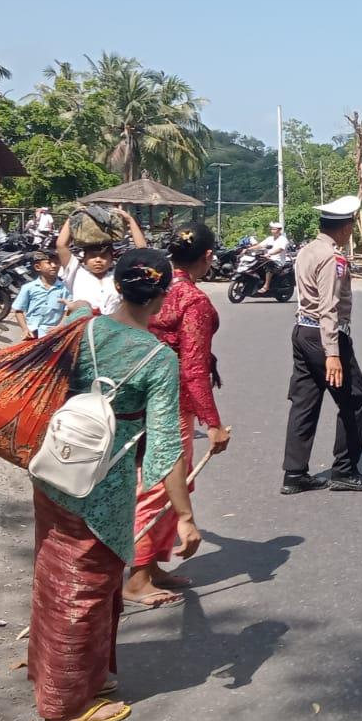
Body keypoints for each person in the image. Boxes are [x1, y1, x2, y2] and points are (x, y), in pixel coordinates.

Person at [28, 249, 201, 721]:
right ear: (163, 296)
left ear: (118, 287)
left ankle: (65, 673)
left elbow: (66, 318)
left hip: (52, 469)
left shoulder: (84, 323)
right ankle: (64, 705)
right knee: (86, 588)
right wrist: (184, 516)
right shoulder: (156, 359)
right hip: (101, 488)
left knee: (53, 571)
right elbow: (165, 446)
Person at [127, 223, 231, 606]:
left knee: (170, 484)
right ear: (207, 257)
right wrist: (214, 424)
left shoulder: (154, 287)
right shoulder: (193, 301)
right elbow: (193, 368)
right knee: (160, 488)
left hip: (138, 397)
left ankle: (151, 564)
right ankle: (137, 577)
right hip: (171, 403)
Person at [281, 196, 362, 494]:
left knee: (305, 402)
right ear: (346, 227)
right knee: (354, 399)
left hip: (302, 331)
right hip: (324, 336)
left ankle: (294, 474)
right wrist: (333, 354)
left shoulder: (307, 250)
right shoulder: (332, 258)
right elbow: (329, 308)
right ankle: (345, 470)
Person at [56, 208, 146, 316]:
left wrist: (130, 220)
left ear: (111, 258)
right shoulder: (75, 273)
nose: (98, 260)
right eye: (93, 257)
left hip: (113, 328)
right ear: (84, 259)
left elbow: (143, 253)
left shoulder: (118, 275)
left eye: (103, 256)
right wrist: (72, 218)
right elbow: (61, 245)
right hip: (84, 328)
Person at [11, 251, 69, 338]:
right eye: (49, 263)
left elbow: (68, 311)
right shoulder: (28, 288)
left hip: (54, 333)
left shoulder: (65, 289)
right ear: (38, 267)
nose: (53, 266)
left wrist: (60, 326)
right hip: (32, 333)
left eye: (56, 263)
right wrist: (25, 329)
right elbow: (18, 310)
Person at [254, 221, 291, 293]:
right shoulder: (269, 238)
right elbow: (260, 246)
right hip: (267, 258)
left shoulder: (283, 239)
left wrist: (270, 253)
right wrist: (247, 249)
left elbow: (280, 249)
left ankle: (266, 286)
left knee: (269, 265)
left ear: (279, 230)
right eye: (272, 229)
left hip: (278, 261)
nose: (272, 230)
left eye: (274, 229)